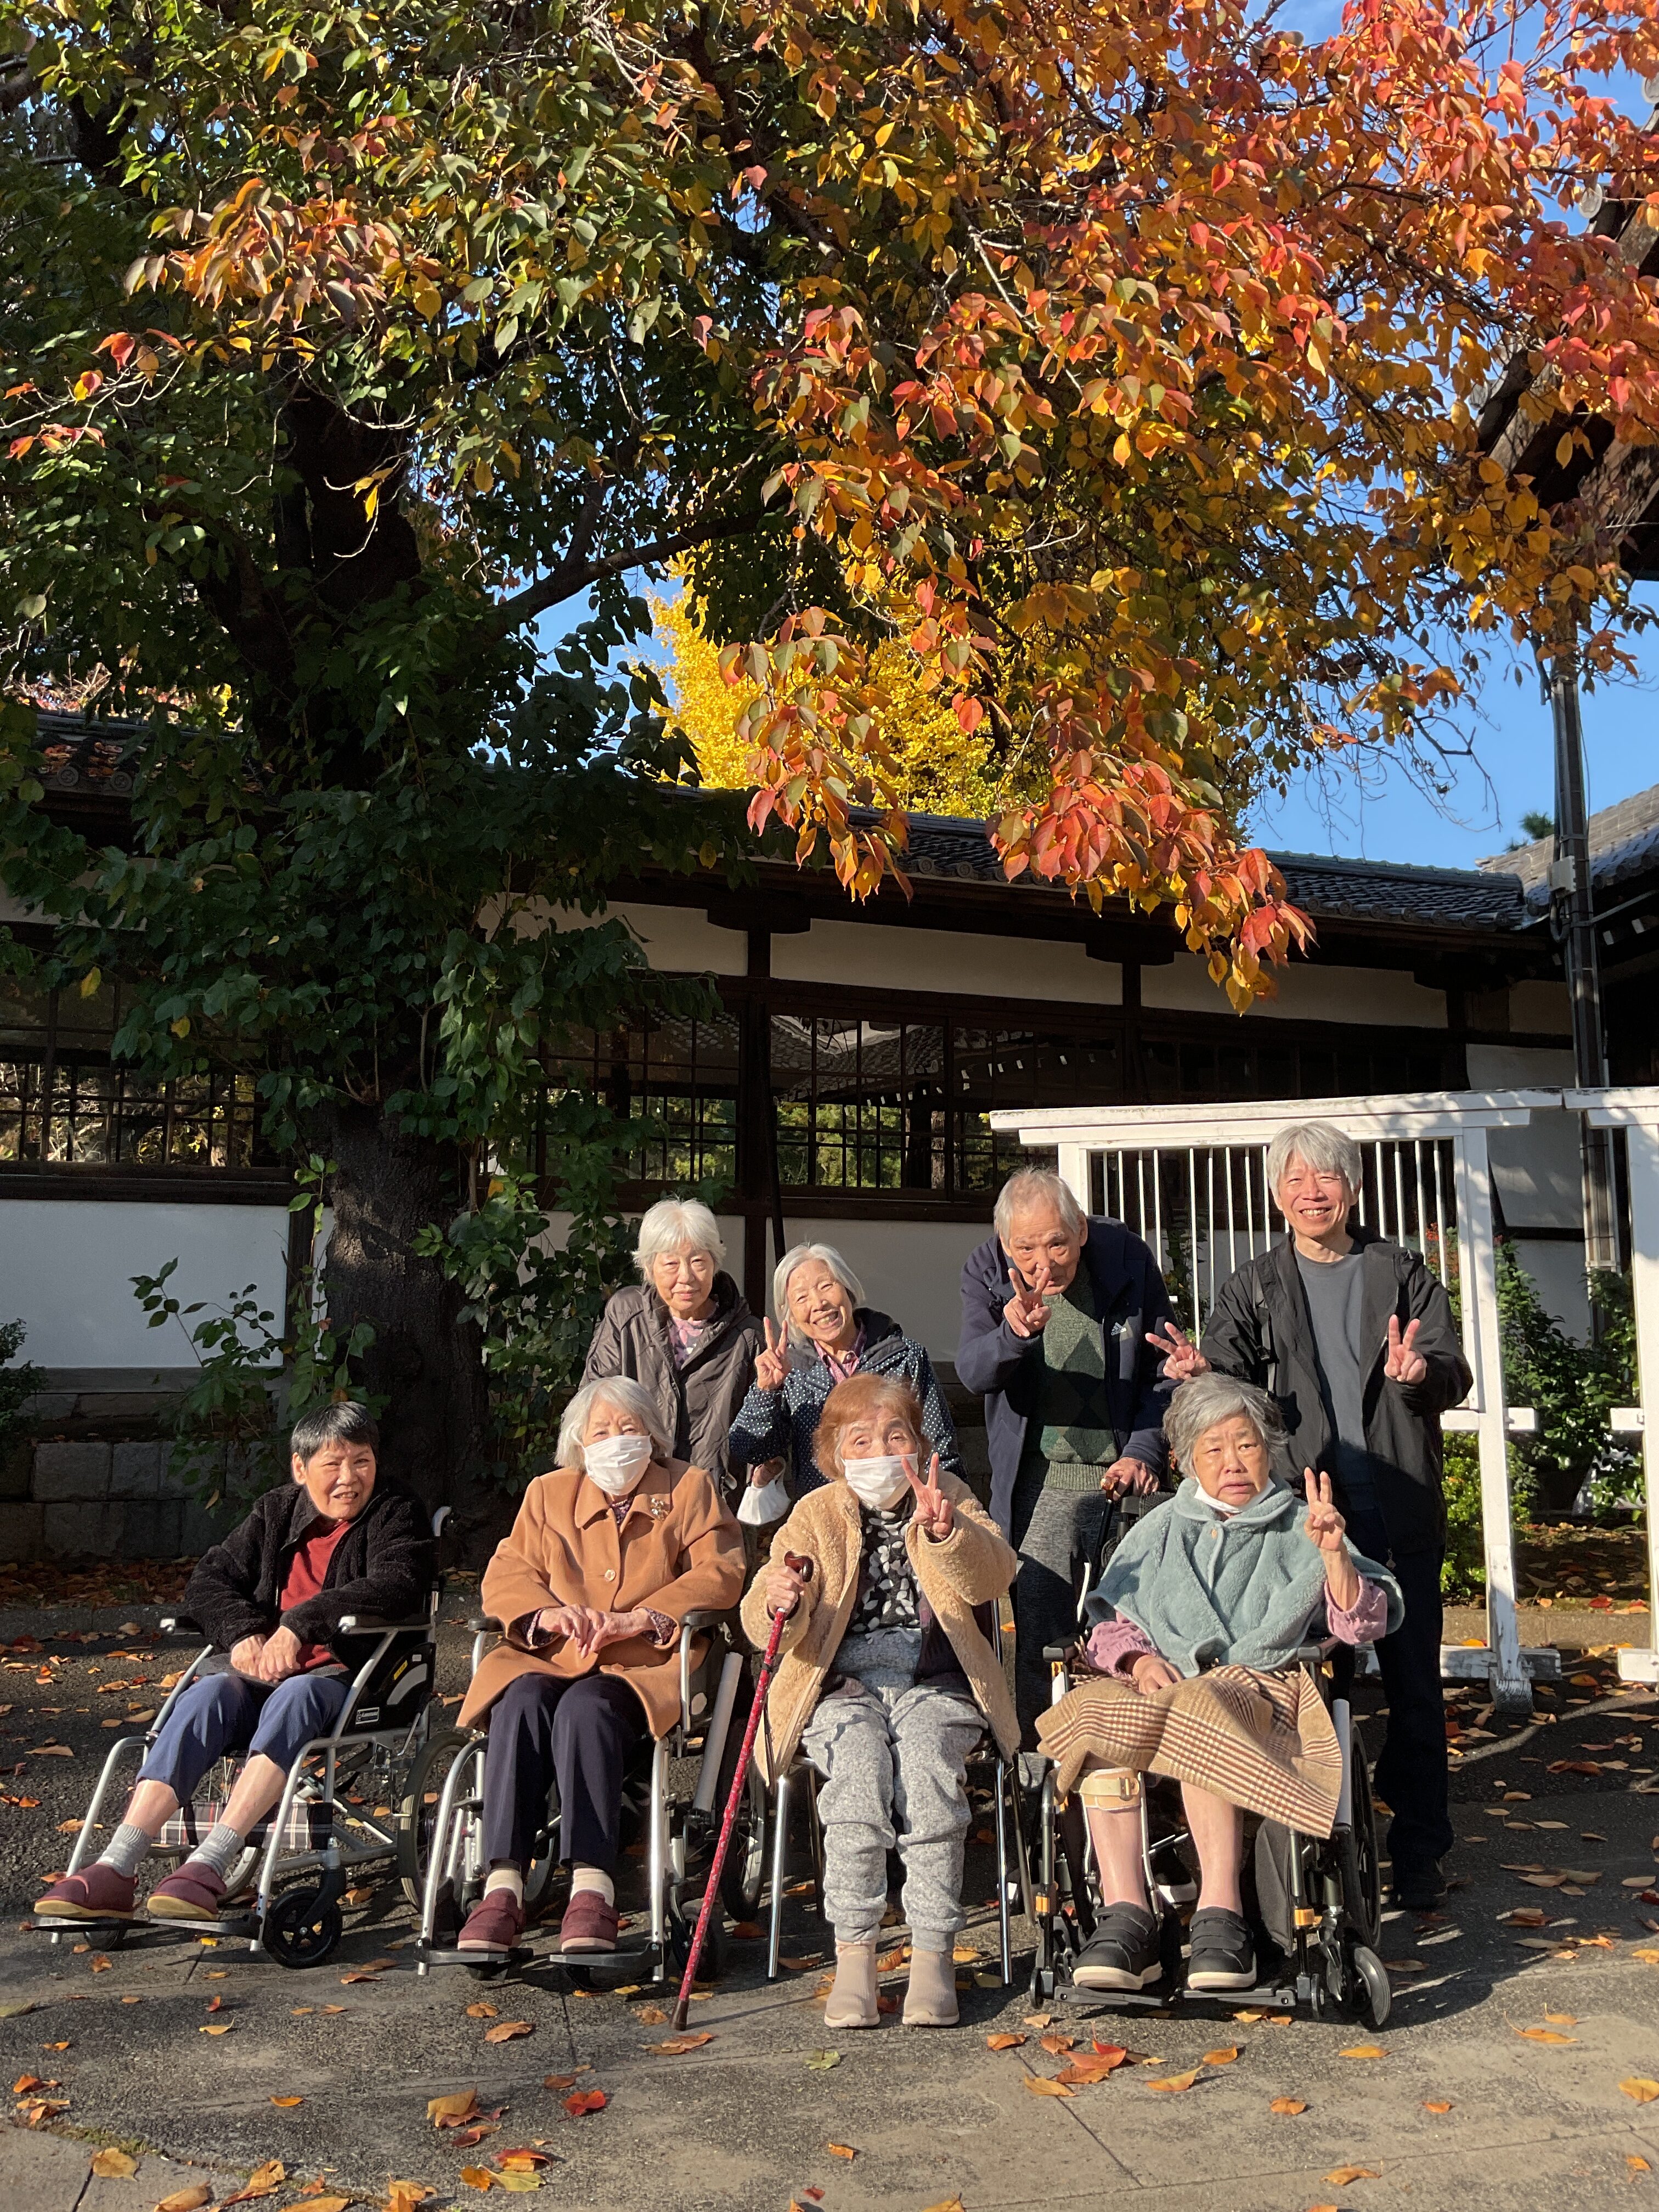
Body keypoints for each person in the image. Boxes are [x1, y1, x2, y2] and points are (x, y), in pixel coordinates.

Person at [1150, 1119, 1472, 1910]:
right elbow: (1225, 1382)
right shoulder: (1256, 1283)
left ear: (1352, 1190)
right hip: (1299, 1518)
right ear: (1276, 1196)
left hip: (1396, 1506)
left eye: (1325, 1179)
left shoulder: (1400, 1272)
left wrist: (1420, 1368)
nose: (1311, 1193)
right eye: (1294, 1182)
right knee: (1311, 1686)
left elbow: (1453, 1372)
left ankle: (1420, 1853)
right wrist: (1199, 1373)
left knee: (1413, 1687)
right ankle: (1313, 1854)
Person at [1037, 1373, 1402, 1994]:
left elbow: (1361, 1621)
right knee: (1096, 1711)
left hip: (1262, 1691)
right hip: (1161, 1689)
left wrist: (1336, 1557)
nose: (1233, 1461)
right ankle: (1128, 1917)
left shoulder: (1298, 1522)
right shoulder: (1160, 1527)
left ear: (1270, 1449)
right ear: (1184, 1458)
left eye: (1247, 1445)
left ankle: (1221, 1913)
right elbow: (1107, 1622)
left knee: (1202, 1708)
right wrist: (1136, 1663)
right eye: (1214, 1448)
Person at [36, 1402, 436, 1925]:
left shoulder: (395, 1510)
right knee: (208, 1692)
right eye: (333, 1465)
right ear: (300, 1468)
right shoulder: (274, 1512)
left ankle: (211, 1861)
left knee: (299, 1695)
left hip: (348, 1679)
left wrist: (299, 1624)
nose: (349, 1478)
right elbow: (208, 1580)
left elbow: (397, 1582)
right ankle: (118, 1863)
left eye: (361, 1462)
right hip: (261, 1679)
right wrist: (243, 1631)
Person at [743, 1373, 1017, 2028]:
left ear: (919, 1445)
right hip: (841, 1687)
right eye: (859, 1439)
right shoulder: (813, 1513)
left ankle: (932, 1959)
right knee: (858, 1783)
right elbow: (766, 1622)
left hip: (936, 1681)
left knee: (928, 1782)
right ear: (835, 1455)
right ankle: (856, 1958)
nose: (878, 1450)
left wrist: (949, 1534)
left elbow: (995, 1575)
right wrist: (780, 1596)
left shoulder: (949, 1493)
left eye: (895, 1435)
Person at [453, 1375, 743, 1959]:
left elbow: (722, 1571)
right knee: (521, 1702)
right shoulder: (548, 1494)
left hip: (643, 1664)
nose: (617, 1441)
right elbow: (507, 1573)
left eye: (630, 1429)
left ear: (653, 1436)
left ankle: (592, 1885)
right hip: (551, 1654)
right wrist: (549, 1615)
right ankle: (502, 1886)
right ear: (579, 1443)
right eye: (602, 1431)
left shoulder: (688, 1488)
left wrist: (642, 1619)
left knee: (587, 1709)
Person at [957, 1166, 1180, 1743]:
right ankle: (1040, 1768)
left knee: (1136, 1629)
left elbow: (1164, 1369)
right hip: (1042, 1478)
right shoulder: (986, 1272)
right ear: (1006, 1243)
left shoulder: (1126, 1257)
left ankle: (1140, 1760)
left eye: (1057, 1242)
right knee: (1040, 1631)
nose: (1043, 1263)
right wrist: (1012, 1333)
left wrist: (1145, 1452)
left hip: (1125, 1476)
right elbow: (974, 1372)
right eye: (1025, 1248)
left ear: (1080, 1228)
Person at [728, 1242, 963, 1506]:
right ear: (791, 1316)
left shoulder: (905, 1356)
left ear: (848, 1289)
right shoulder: (792, 1372)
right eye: (802, 1298)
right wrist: (766, 1392)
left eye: (827, 1285)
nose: (819, 1303)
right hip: (826, 1519)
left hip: (905, 1516)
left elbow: (940, 1450)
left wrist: (942, 1508)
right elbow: (749, 1448)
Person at [582, 1197, 764, 1501]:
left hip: (712, 1499)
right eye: (670, 1263)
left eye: (698, 1262)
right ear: (649, 1268)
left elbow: (758, 1430)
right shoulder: (626, 1314)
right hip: (633, 1487)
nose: (686, 1277)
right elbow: (595, 1400)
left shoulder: (748, 1335)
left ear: (714, 1263)